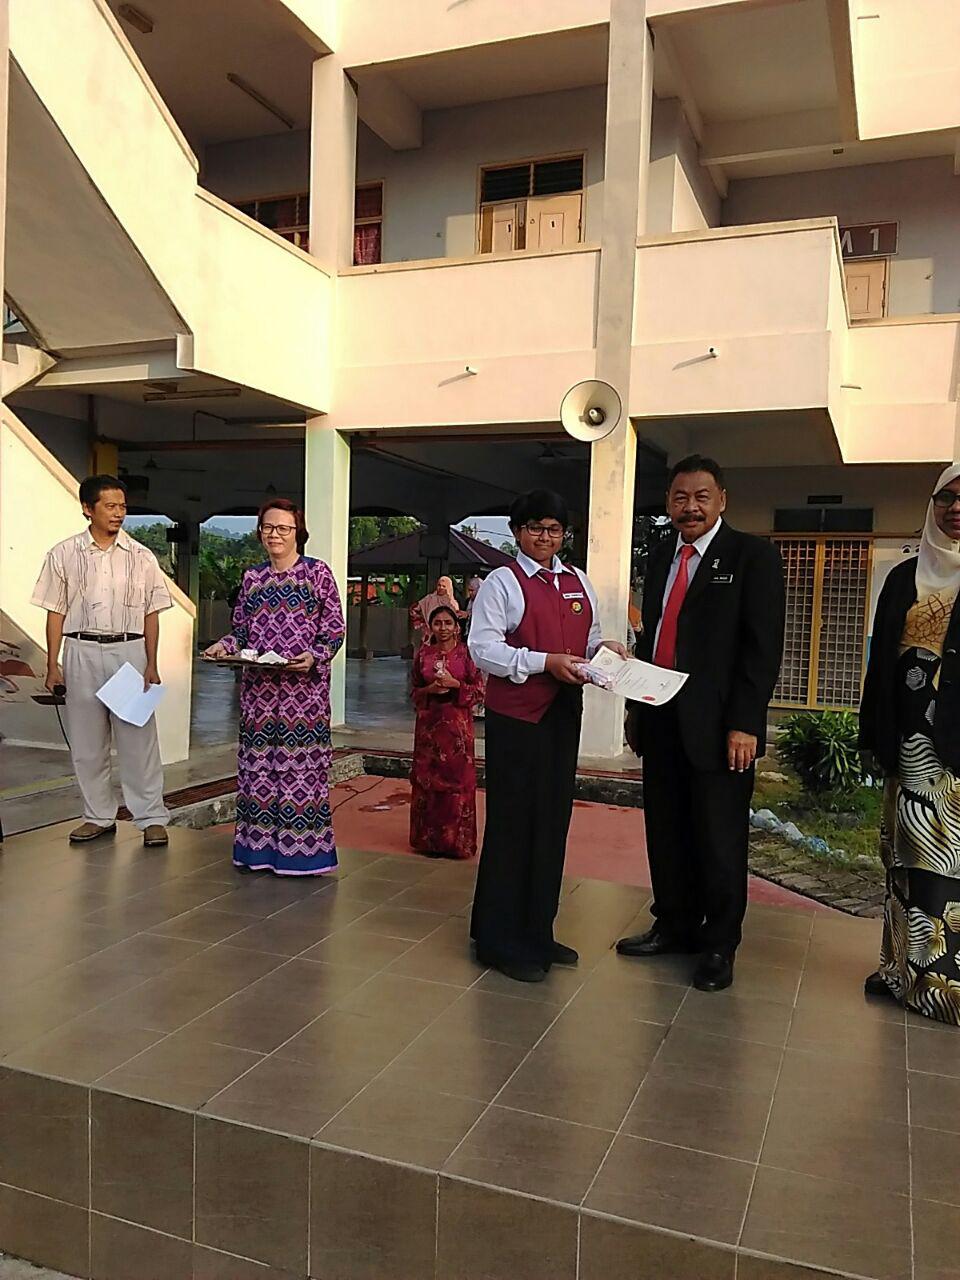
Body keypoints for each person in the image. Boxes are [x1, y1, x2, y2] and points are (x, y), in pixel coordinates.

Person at [619, 455, 785, 992]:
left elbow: (762, 649)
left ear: (722, 500)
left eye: (701, 497)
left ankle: (719, 944)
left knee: (719, 837)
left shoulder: (752, 556)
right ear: (669, 503)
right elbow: (654, 636)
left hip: (720, 727)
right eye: (680, 498)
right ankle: (674, 925)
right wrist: (636, 708)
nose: (690, 507)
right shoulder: (662, 553)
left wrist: (746, 723)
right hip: (660, 715)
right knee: (666, 830)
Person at [468, 489, 627, 982]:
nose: (544, 536)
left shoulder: (578, 580)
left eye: (554, 528)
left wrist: (606, 650)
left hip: (562, 715)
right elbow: (483, 649)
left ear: (564, 534)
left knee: (553, 821)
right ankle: (498, 939)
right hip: (517, 718)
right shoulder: (502, 582)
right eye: (534, 527)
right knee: (513, 823)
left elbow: (588, 638)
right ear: (517, 532)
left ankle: (538, 930)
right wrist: (543, 662)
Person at [859, 463, 960, 1024]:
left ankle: (941, 984)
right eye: (946, 497)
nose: (955, 508)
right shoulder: (904, 577)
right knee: (903, 856)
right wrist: (872, 733)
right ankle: (899, 968)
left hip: (955, 749)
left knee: (948, 862)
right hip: (909, 742)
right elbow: (881, 662)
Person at [204, 498, 344, 876]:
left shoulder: (317, 574)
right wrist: (223, 646)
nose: (274, 535)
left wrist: (315, 656)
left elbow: (333, 629)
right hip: (259, 698)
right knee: (259, 772)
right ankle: (258, 852)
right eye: (268, 528)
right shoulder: (253, 578)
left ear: (298, 532)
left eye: (283, 528)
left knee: (302, 772)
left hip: (304, 698)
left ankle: (303, 856)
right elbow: (241, 633)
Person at [31, 475, 172, 847]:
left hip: (129, 652)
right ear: (87, 509)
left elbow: (152, 613)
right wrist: (52, 664)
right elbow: (55, 611)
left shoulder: (141, 557)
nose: (118, 513)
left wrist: (151, 663)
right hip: (81, 652)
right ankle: (97, 815)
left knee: (138, 741)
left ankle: (151, 818)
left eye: (122, 506)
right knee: (87, 742)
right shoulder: (63, 554)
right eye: (110, 506)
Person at [409, 605, 484, 859]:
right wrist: (429, 690)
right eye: (437, 623)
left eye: (448, 623)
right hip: (428, 729)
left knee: (457, 782)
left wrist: (456, 685)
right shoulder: (423, 655)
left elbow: (480, 691)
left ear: (456, 627)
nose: (443, 628)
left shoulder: (466, 655)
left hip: (457, 730)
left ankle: (457, 843)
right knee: (427, 782)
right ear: (431, 627)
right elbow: (413, 692)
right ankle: (428, 842)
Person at [411, 575, 460, 645]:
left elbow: (455, 622)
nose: (441, 588)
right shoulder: (429, 599)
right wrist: (423, 624)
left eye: (444, 586)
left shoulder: (453, 603)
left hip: (447, 636)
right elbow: (414, 609)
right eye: (439, 585)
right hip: (430, 635)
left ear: (449, 588)